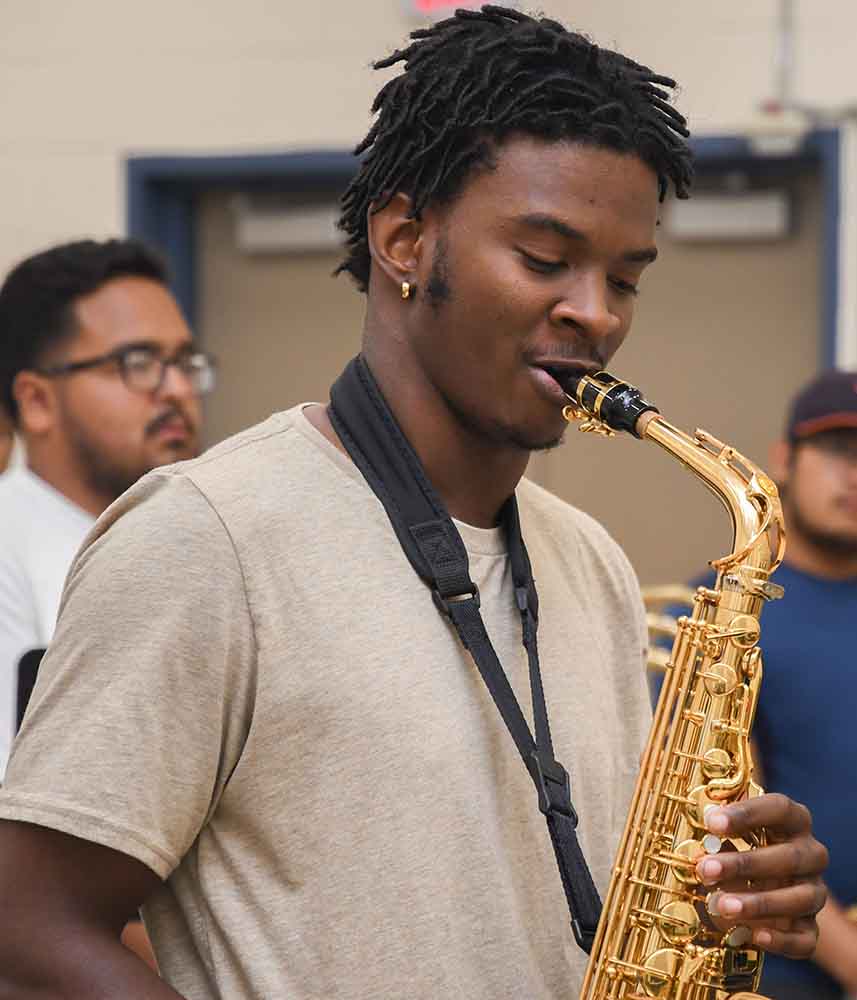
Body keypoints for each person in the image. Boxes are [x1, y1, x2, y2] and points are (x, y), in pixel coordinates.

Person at [0, 8, 828, 998]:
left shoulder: (591, 563)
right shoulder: (207, 536)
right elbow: (30, 930)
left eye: (623, 277)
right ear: (403, 239)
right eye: (542, 258)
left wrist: (728, 897)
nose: (596, 314)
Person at [660, 371, 857, 999]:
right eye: (837, 450)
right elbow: (721, 819)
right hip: (770, 977)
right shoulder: (725, 614)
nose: (854, 475)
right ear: (784, 460)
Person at [0, 238, 216, 781]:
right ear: (36, 401)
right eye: (137, 362)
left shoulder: (205, 536)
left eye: (185, 362)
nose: (177, 390)